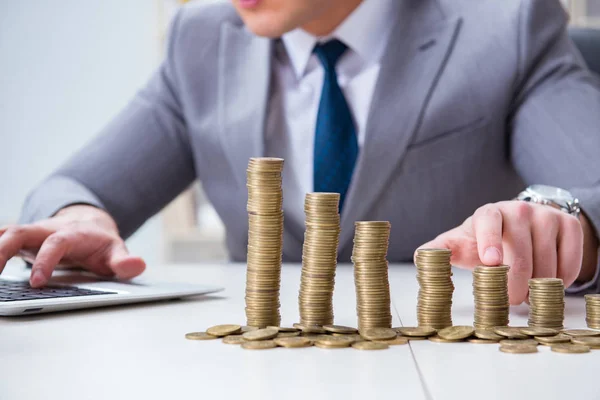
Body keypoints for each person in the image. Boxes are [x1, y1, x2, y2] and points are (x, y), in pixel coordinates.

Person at [1, 0, 599, 306]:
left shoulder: (507, 27)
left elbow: (593, 190)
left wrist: (571, 229)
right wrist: (77, 219)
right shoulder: (201, 40)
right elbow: (78, 185)